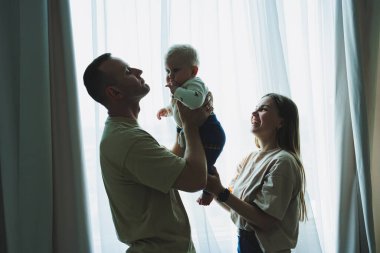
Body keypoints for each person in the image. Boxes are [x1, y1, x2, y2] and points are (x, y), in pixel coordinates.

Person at [83, 53, 213, 253]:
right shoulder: (128, 140)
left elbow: (171, 167)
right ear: (115, 92)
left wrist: (183, 125)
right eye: (128, 72)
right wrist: (190, 126)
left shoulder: (124, 133)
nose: (139, 71)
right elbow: (196, 180)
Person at [205, 93, 307, 253]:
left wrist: (220, 192)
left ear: (281, 122)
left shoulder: (283, 161)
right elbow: (235, 206)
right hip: (244, 245)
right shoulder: (249, 159)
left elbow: (265, 221)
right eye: (255, 109)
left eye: (263, 109)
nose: (254, 113)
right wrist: (215, 190)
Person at [157, 44, 226, 206]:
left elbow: (195, 102)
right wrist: (167, 110)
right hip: (195, 131)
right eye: (167, 71)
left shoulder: (195, 84)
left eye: (175, 70)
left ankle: (209, 191)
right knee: (190, 164)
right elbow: (178, 106)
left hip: (209, 132)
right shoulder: (182, 89)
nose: (170, 76)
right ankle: (209, 188)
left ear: (193, 71)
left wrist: (177, 92)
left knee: (203, 166)